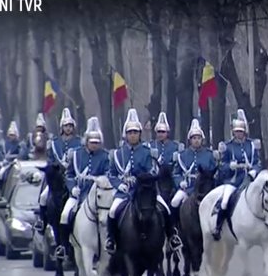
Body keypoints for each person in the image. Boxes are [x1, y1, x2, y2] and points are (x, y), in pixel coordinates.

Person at [105, 108, 182, 254]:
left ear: (140, 134)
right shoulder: (117, 153)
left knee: (165, 208)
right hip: (124, 192)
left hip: (145, 191)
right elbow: (111, 174)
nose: (133, 135)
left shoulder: (147, 152)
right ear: (126, 135)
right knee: (113, 211)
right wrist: (119, 184)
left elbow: (151, 171)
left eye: (135, 133)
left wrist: (139, 180)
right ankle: (111, 239)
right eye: (130, 133)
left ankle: (172, 236)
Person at [56, 117, 109, 259]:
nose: (94, 145)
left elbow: (107, 174)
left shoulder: (105, 156)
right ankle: (64, 247)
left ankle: (111, 243)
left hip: (98, 195)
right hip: (79, 193)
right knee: (65, 215)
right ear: (86, 141)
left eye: (97, 143)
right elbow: (69, 174)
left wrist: (100, 181)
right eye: (92, 142)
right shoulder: (76, 154)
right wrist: (72, 187)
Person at [212, 108, 262, 241]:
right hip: (233, 181)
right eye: (236, 132)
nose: (239, 134)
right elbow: (222, 166)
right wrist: (230, 166)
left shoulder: (251, 145)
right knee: (224, 201)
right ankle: (218, 227)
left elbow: (258, 162)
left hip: (250, 179)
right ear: (233, 132)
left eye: (241, 131)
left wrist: (254, 171)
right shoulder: (227, 146)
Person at [38, 108, 83, 224]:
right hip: (57, 178)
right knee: (43, 197)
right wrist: (55, 166)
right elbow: (50, 160)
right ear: (62, 127)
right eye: (66, 126)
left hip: (73, 178)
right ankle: (42, 221)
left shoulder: (79, 142)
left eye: (70, 126)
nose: (68, 128)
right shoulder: (54, 143)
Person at [170, 118, 217, 219]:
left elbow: (214, 173)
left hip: (204, 190)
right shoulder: (182, 155)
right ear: (190, 140)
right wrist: (180, 182)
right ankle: (175, 229)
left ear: (202, 139)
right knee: (174, 202)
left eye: (198, 138)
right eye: (194, 138)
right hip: (187, 187)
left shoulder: (209, 154)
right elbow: (176, 174)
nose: (196, 140)